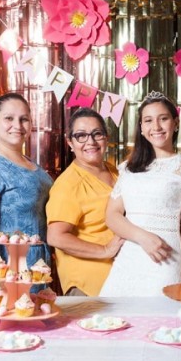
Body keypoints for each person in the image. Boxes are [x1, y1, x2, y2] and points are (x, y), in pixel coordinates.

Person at [99, 91, 181, 297]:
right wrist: (143, 237)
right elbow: (112, 216)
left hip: (165, 259)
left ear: (175, 123)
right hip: (129, 259)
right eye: (148, 121)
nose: (156, 127)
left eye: (163, 119)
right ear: (141, 128)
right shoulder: (128, 168)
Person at [0, 93, 53, 295]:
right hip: (3, 279)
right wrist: (1, 283)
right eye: (9, 118)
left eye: (24, 119)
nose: (18, 125)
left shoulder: (32, 165)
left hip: (33, 271)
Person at [46, 108, 124, 296]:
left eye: (97, 134)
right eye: (81, 136)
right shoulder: (68, 184)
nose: (90, 141)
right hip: (88, 285)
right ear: (70, 143)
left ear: (106, 138)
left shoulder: (114, 171)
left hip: (119, 278)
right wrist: (105, 250)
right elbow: (56, 237)